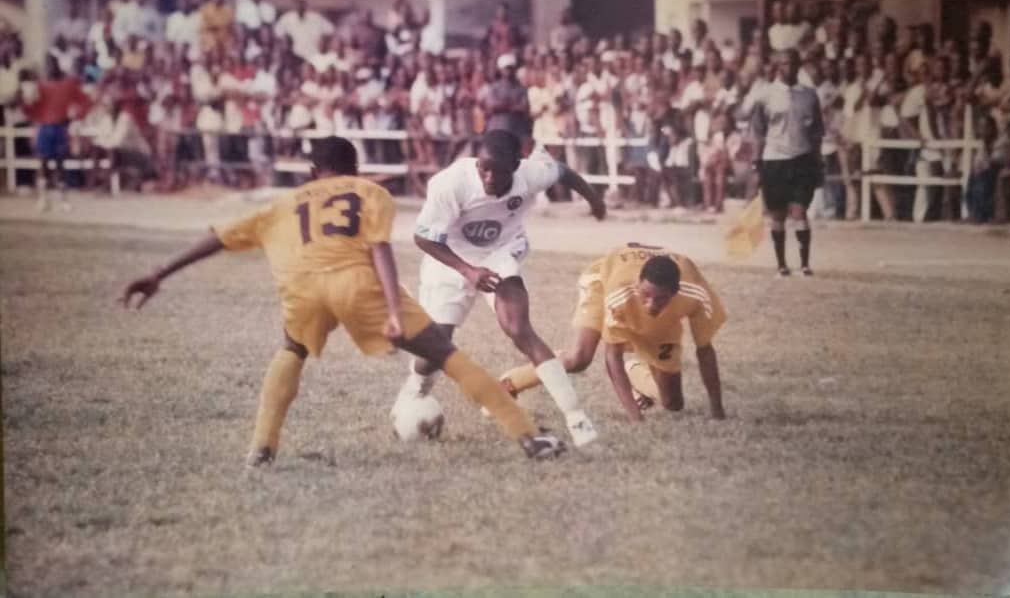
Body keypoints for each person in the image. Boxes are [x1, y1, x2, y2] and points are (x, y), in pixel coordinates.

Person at [121, 137, 565, 466]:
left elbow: (216, 237)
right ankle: (528, 439)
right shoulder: (370, 193)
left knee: (291, 350)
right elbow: (379, 249)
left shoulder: (284, 202)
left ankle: (261, 447)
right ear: (355, 167)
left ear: (312, 171)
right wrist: (394, 308)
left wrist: (158, 274)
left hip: (302, 287)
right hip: (357, 286)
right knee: (444, 353)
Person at [393, 129, 606, 448]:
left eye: (498, 169)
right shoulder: (450, 183)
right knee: (437, 346)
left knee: (519, 328)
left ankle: (577, 419)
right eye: (483, 168)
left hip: (500, 253)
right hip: (450, 258)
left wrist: (595, 200)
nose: (489, 176)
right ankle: (415, 389)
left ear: (517, 165)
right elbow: (423, 237)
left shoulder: (532, 173)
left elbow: (563, 172)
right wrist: (467, 270)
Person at [499, 244, 726, 422]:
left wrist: (717, 410)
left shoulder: (696, 295)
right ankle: (510, 382)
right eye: (646, 295)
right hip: (603, 282)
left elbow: (705, 350)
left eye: (660, 299)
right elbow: (612, 356)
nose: (650, 305)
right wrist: (635, 419)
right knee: (579, 358)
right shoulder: (620, 292)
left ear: (675, 292)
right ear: (639, 283)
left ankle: (636, 372)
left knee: (673, 403)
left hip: (653, 296)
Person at [750, 48, 824, 277]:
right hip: (775, 159)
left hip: (802, 158)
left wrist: (818, 161)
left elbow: (817, 131)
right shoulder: (765, 94)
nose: (788, 68)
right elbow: (758, 131)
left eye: (792, 63)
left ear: (798, 65)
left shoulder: (809, 94)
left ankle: (804, 263)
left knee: (800, 211)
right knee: (778, 214)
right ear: (776, 66)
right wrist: (756, 164)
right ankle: (781, 263)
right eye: (783, 64)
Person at [22, 57, 93, 212]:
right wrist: (26, 106)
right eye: (47, 66)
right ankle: (43, 199)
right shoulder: (41, 87)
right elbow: (33, 109)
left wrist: (77, 117)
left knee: (60, 165)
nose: (49, 69)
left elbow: (87, 101)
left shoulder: (68, 85)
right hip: (45, 128)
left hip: (59, 128)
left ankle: (62, 200)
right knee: (43, 165)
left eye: (51, 65)